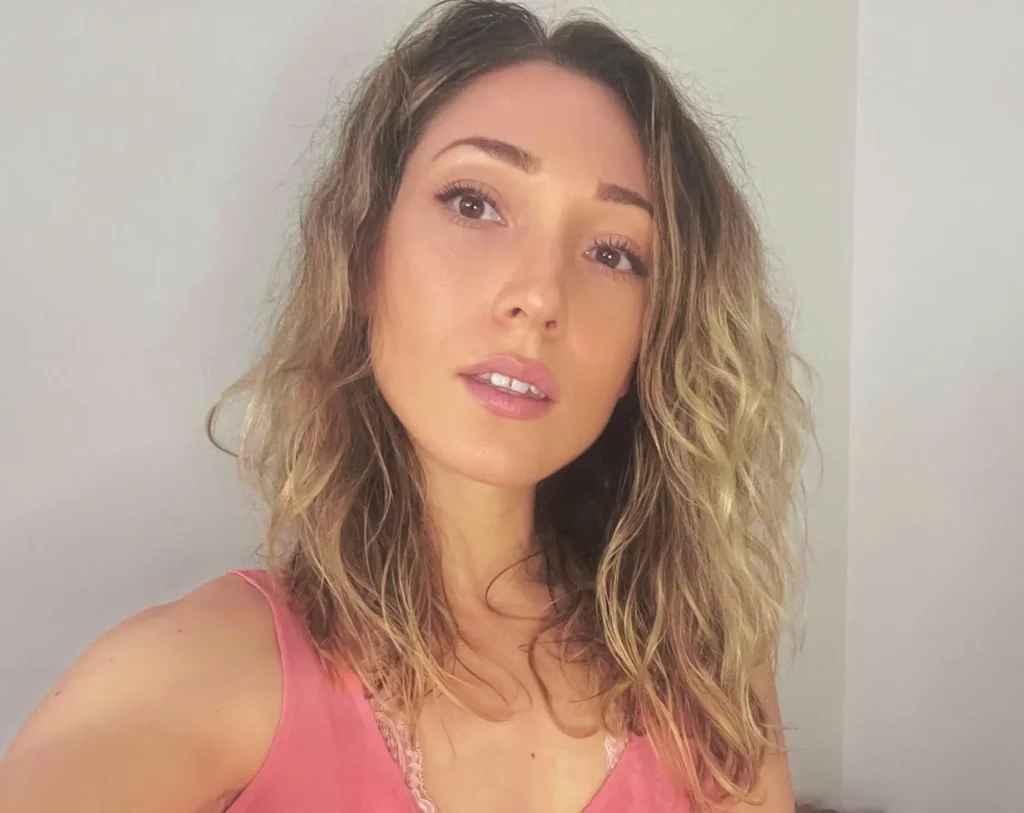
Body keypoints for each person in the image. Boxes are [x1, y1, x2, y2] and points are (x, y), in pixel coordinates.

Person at [0, 1, 813, 811]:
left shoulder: (705, 675)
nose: (539, 294)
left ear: (651, 341)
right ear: (362, 255)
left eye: (613, 252)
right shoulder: (201, 675)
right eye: (474, 203)